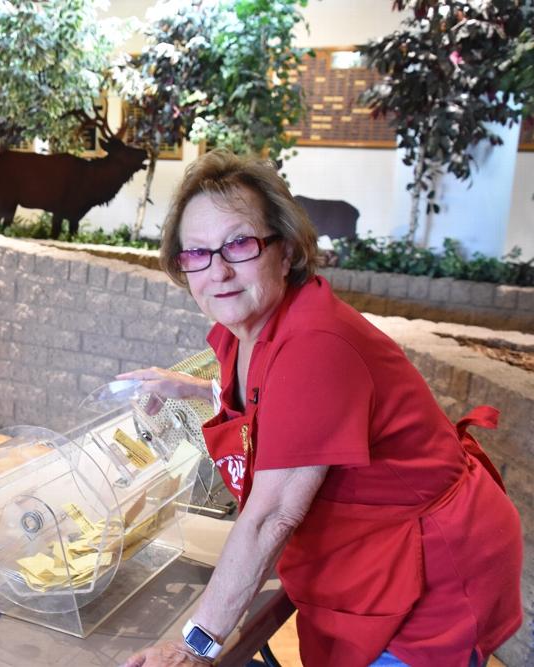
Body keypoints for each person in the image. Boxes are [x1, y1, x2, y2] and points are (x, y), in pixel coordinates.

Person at [120, 151, 522, 667]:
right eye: (195, 252)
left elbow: (271, 516)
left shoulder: (315, 345)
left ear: (285, 251)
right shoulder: (247, 333)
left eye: (238, 244)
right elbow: (271, 404)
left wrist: (194, 644)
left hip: (427, 574)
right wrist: (194, 389)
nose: (216, 270)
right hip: (365, 557)